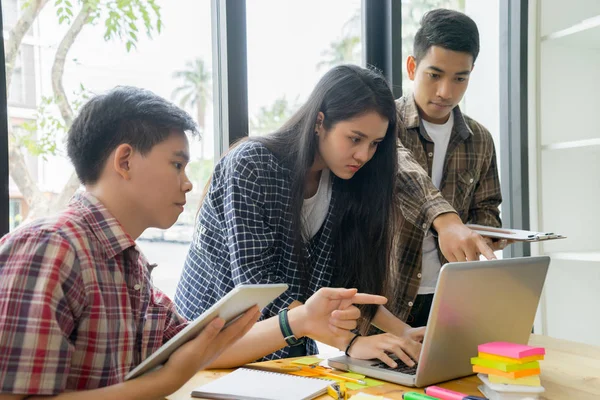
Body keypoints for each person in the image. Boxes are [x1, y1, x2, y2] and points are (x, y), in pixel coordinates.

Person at [0, 86, 383, 400]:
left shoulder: (128, 265)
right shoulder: (50, 247)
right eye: (177, 164)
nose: (187, 183)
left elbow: (204, 345)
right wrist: (165, 382)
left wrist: (299, 320)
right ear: (125, 161)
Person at [176, 64, 430, 370]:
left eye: (374, 144)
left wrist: (407, 334)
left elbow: (347, 283)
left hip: (286, 359)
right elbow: (258, 286)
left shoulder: (345, 182)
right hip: (209, 354)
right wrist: (350, 343)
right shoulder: (251, 165)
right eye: (355, 138)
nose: (363, 155)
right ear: (320, 122)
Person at [393, 9, 507, 327]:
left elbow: (486, 207)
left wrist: (485, 234)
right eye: (435, 75)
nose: (446, 91)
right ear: (412, 66)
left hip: (452, 295)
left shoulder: (480, 139)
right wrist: (448, 224)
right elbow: (405, 177)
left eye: (460, 78)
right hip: (387, 299)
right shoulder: (384, 124)